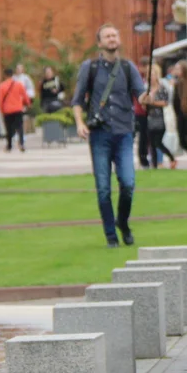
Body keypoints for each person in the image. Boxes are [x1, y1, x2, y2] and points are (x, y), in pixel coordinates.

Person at [72, 24, 145, 247]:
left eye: (115, 35)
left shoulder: (127, 67)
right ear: (100, 43)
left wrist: (149, 97)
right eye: (107, 36)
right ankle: (111, 236)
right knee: (103, 187)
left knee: (128, 183)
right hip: (100, 135)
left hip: (123, 132)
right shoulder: (90, 67)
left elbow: (141, 96)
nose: (112, 39)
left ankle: (122, 221)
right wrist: (79, 123)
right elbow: (77, 100)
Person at [141, 63, 175, 169]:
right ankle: (154, 165)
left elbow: (165, 102)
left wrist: (153, 102)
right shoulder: (146, 88)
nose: (151, 77)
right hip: (150, 118)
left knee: (158, 142)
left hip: (160, 118)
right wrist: (145, 103)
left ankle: (171, 157)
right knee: (151, 143)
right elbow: (144, 105)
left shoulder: (162, 87)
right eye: (149, 75)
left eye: (153, 74)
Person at [0, 68, 31, 152]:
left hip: (7, 110)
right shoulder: (19, 84)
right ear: (12, 75)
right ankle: (21, 143)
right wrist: (28, 103)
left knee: (9, 128)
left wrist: (1, 110)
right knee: (19, 127)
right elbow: (25, 96)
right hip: (17, 109)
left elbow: (0, 100)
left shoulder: (2, 86)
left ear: (5, 75)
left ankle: (9, 146)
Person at [172, 61, 187, 169]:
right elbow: (175, 101)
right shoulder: (177, 84)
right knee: (182, 140)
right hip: (181, 115)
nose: (176, 71)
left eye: (178, 69)